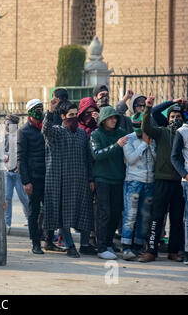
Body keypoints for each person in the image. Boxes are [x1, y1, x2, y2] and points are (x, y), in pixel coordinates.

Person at [42, 99, 96, 258]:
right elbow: (46, 129)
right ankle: (70, 245)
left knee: (85, 212)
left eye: (75, 114)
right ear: (63, 116)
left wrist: (91, 178)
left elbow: (87, 157)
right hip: (61, 181)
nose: (73, 117)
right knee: (64, 214)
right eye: (70, 115)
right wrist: (50, 112)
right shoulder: (56, 132)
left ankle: (85, 245)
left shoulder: (81, 133)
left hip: (80, 180)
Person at [139, 97, 185, 263]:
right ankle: (151, 250)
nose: (175, 119)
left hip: (180, 181)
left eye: (178, 117)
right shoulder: (162, 132)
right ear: (168, 118)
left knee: (177, 218)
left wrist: (184, 105)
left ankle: (173, 251)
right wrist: (148, 108)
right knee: (156, 217)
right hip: (161, 180)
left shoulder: (185, 134)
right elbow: (146, 126)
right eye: (172, 116)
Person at [18, 99, 62, 254]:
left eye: (41, 108)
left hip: (49, 176)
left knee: (50, 210)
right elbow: (21, 158)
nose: (39, 111)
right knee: (34, 211)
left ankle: (49, 241)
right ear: (30, 111)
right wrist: (26, 181)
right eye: (36, 109)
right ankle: (35, 243)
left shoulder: (46, 127)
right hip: (34, 178)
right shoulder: (24, 131)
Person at [90, 106, 127, 260]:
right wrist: (116, 145)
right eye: (110, 118)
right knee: (103, 213)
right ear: (103, 120)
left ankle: (109, 243)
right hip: (102, 179)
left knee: (116, 213)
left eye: (115, 118)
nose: (114, 120)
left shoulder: (122, 134)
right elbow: (97, 154)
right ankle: (101, 247)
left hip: (119, 179)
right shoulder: (96, 134)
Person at [121, 112, 156, 260]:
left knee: (145, 216)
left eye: (140, 125)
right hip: (133, 181)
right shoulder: (129, 139)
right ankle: (126, 247)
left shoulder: (153, 139)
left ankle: (138, 245)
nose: (138, 128)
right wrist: (144, 144)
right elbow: (131, 159)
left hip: (149, 182)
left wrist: (150, 145)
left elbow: (157, 159)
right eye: (135, 125)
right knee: (130, 215)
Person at [4, 114, 29, 233]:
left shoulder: (21, 135)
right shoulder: (6, 137)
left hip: (18, 172)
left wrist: (21, 166)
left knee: (23, 197)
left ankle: (30, 218)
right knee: (6, 197)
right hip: (8, 172)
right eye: (6, 124)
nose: (6, 126)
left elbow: (24, 153)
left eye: (9, 124)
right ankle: (6, 223)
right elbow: (3, 152)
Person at [170, 110, 188, 265]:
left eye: (178, 116)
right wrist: (185, 174)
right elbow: (174, 157)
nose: (176, 119)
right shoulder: (182, 132)